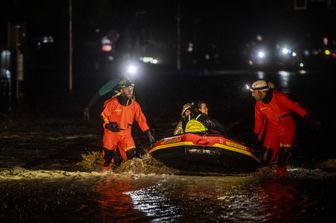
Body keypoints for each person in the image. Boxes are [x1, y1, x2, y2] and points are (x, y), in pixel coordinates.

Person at [249, 79, 314, 177]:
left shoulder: (279, 97)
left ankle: (280, 179)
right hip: (272, 130)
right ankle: (265, 180)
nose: (252, 95)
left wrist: (307, 116)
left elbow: (295, 107)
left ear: (262, 92)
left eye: (254, 92)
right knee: (265, 158)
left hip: (287, 128)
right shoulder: (258, 104)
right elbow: (259, 122)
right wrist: (256, 136)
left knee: (283, 157)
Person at [100, 79, 155, 171]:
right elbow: (103, 116)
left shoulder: (135, 105)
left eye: (132, 88)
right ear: (121, 90)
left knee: (132, 160)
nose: (130, 91)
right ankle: (105, 179)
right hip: (111, 134)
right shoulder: (112, 103)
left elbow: (141, 120)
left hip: (126, 134)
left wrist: (148, 134)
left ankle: (128, 180)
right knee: (108, 158)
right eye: (127, 89)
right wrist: (108, 125)